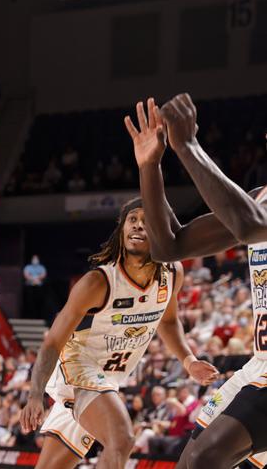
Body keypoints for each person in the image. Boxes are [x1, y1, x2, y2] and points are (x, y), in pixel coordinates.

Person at [20, 199, 218, 469]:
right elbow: (53, 341)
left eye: (147, 221)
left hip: (109, 379)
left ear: (162, 228)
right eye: (132, 219)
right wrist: (35, 394)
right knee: (122, 440)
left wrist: (189, 361)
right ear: (122, 228)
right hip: (79, 367)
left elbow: (168, 322)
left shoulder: (172, 273)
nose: (138, 225)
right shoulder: (98, 281)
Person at [125, 95, 267, 468]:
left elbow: (249, 225)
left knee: (204, 458)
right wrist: (151, 165)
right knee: (191, 461)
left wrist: (188, 147)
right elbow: (169, 246)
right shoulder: (259, 199)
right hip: (260, 363)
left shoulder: (252, 213)